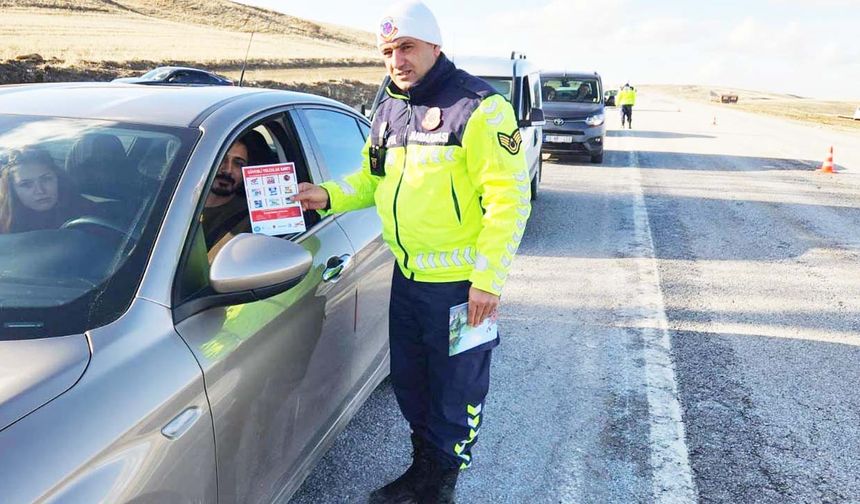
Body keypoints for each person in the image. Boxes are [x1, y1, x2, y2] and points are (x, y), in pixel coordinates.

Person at [292, 2, 531, 502]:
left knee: (457, 389)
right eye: (387, 52)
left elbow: (510, 202)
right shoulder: (388, 108)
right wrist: (329, 195)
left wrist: (488, 280)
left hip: (463, 287)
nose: (396, 60)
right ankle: (422, 467)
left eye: (406, 47)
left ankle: (441, 483)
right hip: (408, 277)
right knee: (412, 382)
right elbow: (373, 178)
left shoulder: (480, 107)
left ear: (434, 47)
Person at [0, 147, 95, 234]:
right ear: (13, 190)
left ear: (58, 179)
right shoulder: (3, 225)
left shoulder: (91, 216)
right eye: (26, 184)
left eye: (46, 179)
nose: (40, 191)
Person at [201, 138, 251, 253]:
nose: (227, 170)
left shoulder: (250, 217)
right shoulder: (175, 201)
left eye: (238, 163)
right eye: (221, 158)